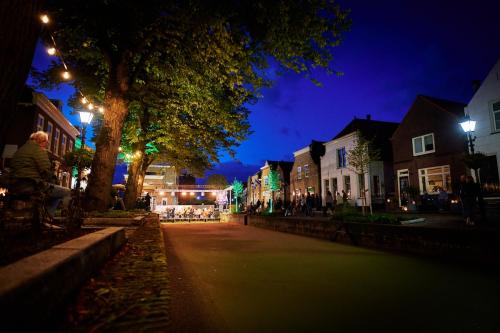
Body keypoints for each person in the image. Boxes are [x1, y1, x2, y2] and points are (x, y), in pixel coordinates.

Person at [9, 131, 70, 220]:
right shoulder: (38, 150)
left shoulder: (20, 150)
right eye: (46, 142)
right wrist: (54, 181)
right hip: (32, 185)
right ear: (41, 141)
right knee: (66, 191)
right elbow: (46, 171)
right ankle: (47, 217)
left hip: (15, 184)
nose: (47, 144)